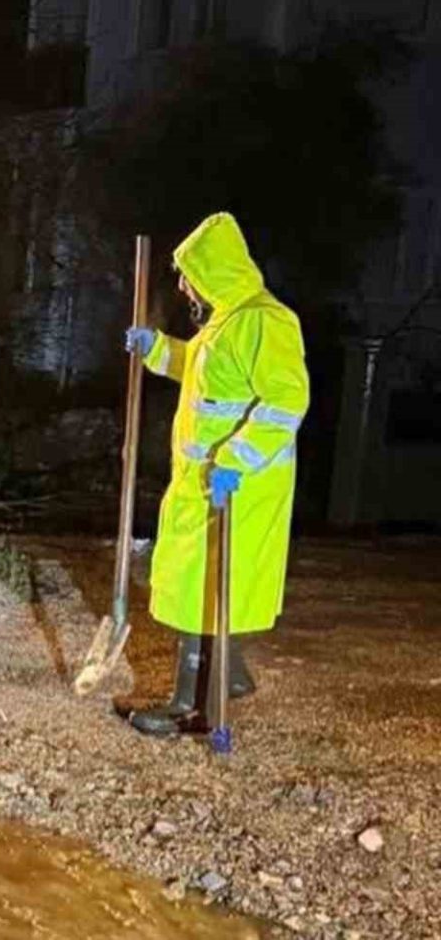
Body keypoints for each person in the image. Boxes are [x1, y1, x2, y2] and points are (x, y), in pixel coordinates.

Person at [123, 213, 310, 736]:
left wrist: (236, 460)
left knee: (199, 588)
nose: (185, 288)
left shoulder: (266, 321)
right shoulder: (226, 322)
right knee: (202, 582)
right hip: (206, 480)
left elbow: (286, 400)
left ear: (216, 269)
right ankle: (231, 674)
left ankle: (191, 706)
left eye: (190, 276)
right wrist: (157, 349)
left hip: (239, 485)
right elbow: (203, 374)